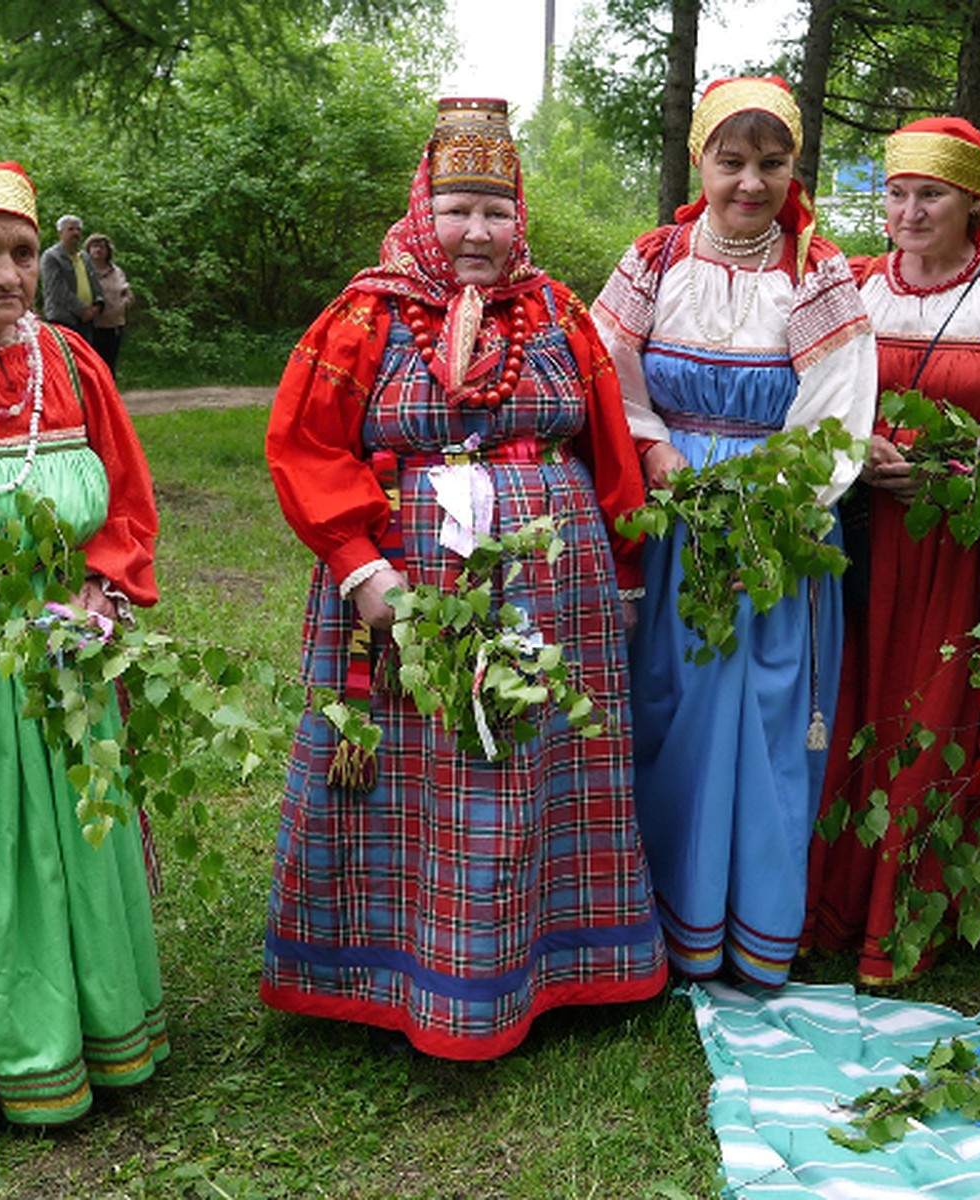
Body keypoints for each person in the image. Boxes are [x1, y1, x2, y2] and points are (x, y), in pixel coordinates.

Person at [262, 97, 667, 1060]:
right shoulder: (363, 314)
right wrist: (361, 568)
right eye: (457, 211)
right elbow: (307, 444)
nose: (477, 232)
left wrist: (623, 566)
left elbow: (610, 445)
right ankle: (384, 967)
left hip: (549, 588)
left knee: (532, 758)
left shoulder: (559, 312)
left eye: (495, 210)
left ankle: (556, 963)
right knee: (415, 764)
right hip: (402, 590)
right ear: (423, 209)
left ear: (518, 213)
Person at [592, 77, 877, 987]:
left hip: (774, 528)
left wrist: (773, 497)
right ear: (699, 161)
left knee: (760, 711)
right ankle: (662, 921)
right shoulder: (653, 260)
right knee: (668, 705)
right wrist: (655, 450)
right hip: (673, 515)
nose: (751, 182)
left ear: (795, 169)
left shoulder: (817, 271)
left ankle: (749, 927)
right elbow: (608, 372)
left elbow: (838, 406)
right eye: (733, 161)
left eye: (772, 163)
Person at [801, 117, 980, 984]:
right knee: (854, 708)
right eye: (898, 192)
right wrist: (854, 451)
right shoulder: (850, 285)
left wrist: (957, 467)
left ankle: (918, 910)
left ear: (972, 203)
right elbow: (805, 394)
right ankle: (840, 904)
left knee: (941, 707)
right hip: (861, 532)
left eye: (932, 194)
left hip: (963, 536)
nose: (911, 211)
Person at [0, 161, 166, 1125]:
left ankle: (96, 1022)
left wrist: (101, 592)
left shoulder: (72, 362)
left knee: (77, 839)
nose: (5, 274)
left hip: (67, 650)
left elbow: (126, 495)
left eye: (17, 254)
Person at [40, 214, 104, 345]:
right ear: (60, 232)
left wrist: (98, 304)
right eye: (71, 229)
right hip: (63, 320)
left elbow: (94, 283)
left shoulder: (85, 257)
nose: (76, 233)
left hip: (87, 321)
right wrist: (83, 310)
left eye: (78, 229)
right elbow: (57, 290)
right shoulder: (51, 257)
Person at [84, 232, 134, 378]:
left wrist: (124, 304)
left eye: (102, 247)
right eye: (94, 246)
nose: (98, 250)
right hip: (93, 326)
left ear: (108, 250)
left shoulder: (117, 271)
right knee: (94, 366)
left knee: (110, 364)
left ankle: (111, 397)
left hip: (115, 325)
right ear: (88, 250)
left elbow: (127, 292)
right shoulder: (85, 272)